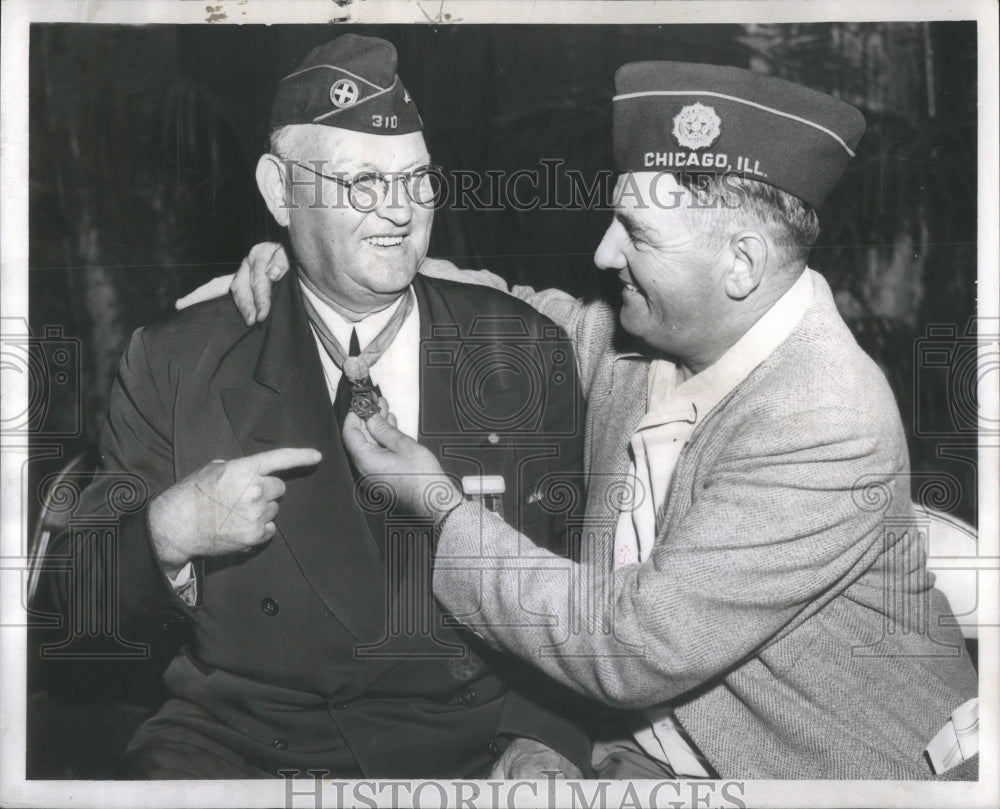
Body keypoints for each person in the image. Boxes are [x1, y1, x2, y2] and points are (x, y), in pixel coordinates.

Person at [217, 61, 979, 779]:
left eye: (637, 233)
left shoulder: (824, 416)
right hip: (648, 753)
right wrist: (319, 264)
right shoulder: (648, 343)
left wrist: (440, 507)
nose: (605, 252)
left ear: (742, 265)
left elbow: (633, 643)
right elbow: (517, 310)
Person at [40, 34, 591, 780]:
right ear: (279, 192)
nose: (399, 212)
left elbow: (573, 582)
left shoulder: (523, 347)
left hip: (468, 752)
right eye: (362, 183)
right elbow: (76, 611)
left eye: (417, 180)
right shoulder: (177, 360)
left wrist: (544, 735)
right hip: (243, 749)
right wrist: (167, 532)